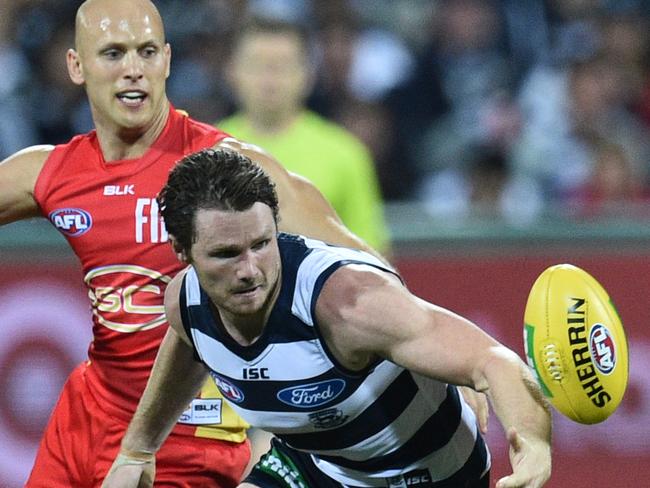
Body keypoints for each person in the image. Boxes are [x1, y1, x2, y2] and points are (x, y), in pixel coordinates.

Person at [0, 0, 384, 486]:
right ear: (76, 65)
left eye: (145, 53)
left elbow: (364, 266)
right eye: (113, 54)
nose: (133, 71)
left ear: (167, 59)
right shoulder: (56, 171)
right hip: (83, 421)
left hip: (187, 434)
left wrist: (433, 363)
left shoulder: (225, 168)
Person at [103, 148, 552, 488]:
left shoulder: (348, 302)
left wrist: (533, 444)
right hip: (316, 468)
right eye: (225, 254)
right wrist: (138, 448)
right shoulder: (186, 302)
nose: (249, 270)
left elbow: (493, 360)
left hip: (424, 476)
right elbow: (188, 346)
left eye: (261, 244)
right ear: (183, 252)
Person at [218, 16, 390, 254]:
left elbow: (373, 256)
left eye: (282, 66)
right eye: (257, 65)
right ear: (232, 71)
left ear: (308, 74)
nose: (269, 79)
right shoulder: (208, 149)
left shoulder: (345, 153)